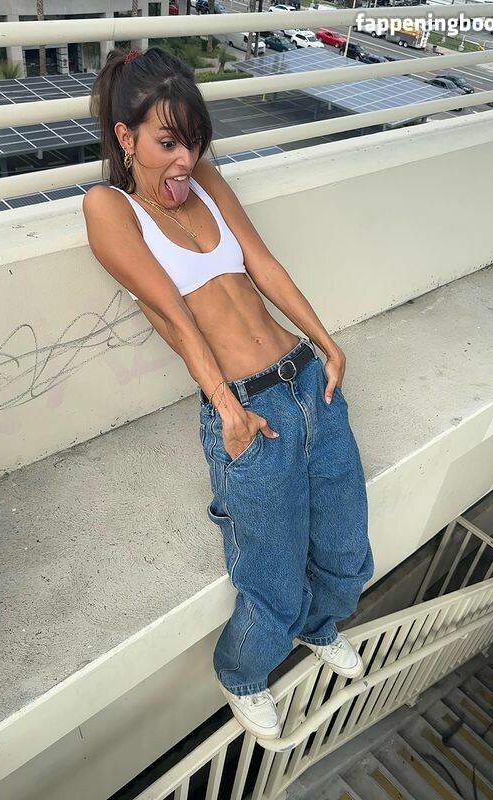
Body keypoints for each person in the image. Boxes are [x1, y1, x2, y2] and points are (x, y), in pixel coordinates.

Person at [82, 47, 374, 741]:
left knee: (345, 545)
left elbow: (262, 265)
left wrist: (325, 342)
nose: (185, 159)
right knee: (270, 576)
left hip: (307, 381)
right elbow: (174, 320)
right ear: (126, 138)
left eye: (194, 141)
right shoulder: (109, 208)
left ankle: (318, 628)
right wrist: (228, 409)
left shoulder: (204, 180)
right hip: (248, 410)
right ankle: (242, 674)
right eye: (167, 143)